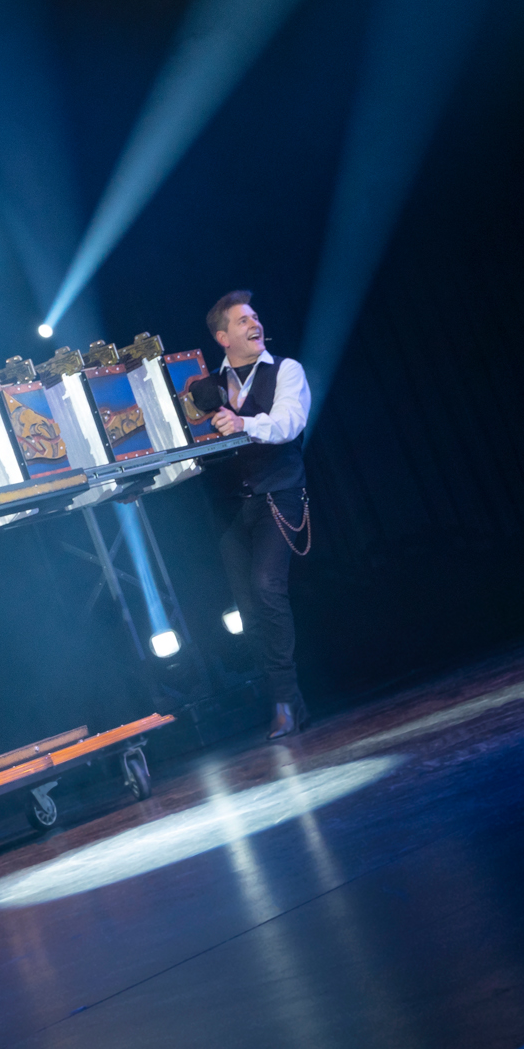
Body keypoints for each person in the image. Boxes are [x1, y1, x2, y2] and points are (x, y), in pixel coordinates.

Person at [203, 290, 313, 739]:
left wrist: (243, 423)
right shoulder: (206, 384)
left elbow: (289, 422)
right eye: (243, 320)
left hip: (278, 495)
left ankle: (285, 704)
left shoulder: (286, 370)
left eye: (255, 317)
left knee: (266, 587)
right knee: (248, 609)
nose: (255, 324)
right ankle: (288, 702)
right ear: (223, 337)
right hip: (231, 504)